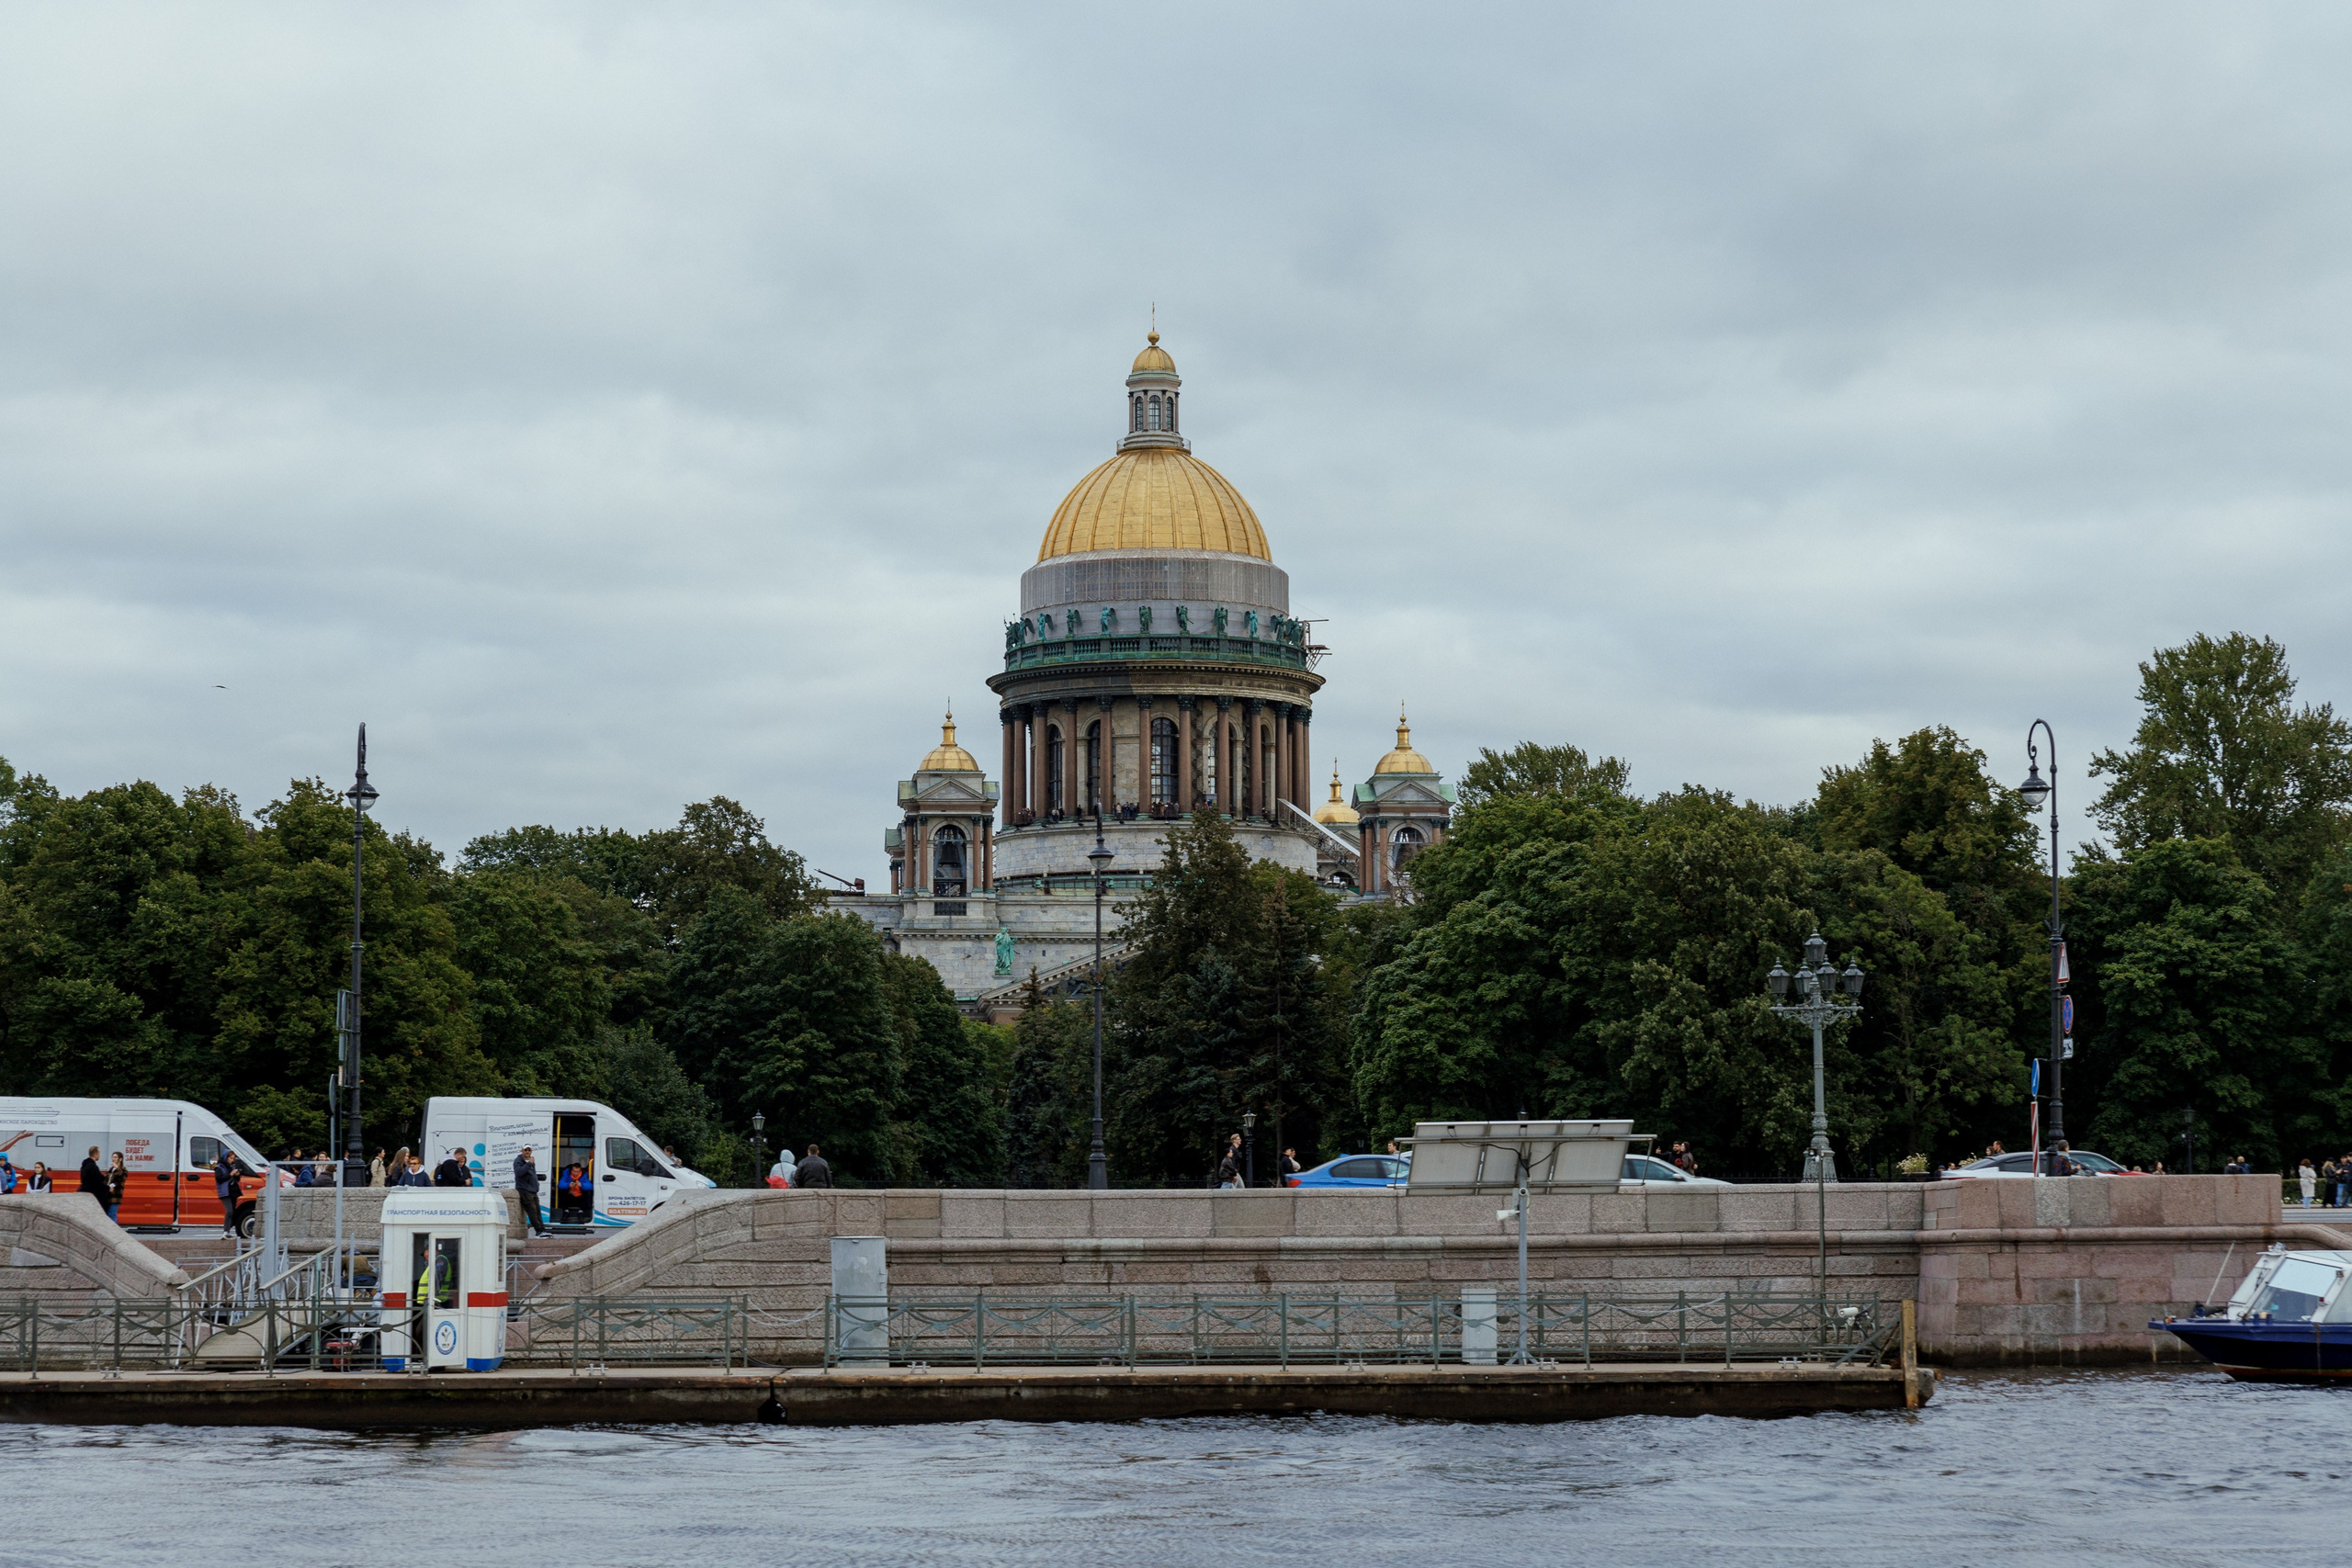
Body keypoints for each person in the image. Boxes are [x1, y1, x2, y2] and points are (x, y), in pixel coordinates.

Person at [514, 1145, 545, 1236]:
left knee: (537, 1211)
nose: (527, 1151)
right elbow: (519, 1172)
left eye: (529, 1150)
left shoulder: (530, 1161)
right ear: (522, 1150)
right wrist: (529, 1164)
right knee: (532, 1211)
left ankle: (543, 1230)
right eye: (525, 1150)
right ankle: (538, 1231)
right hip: (525, 1190)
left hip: (533, 1190)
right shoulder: (518, 1161)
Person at [78, 1146, 110, 1211]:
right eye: (99, 1153)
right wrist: (108, 1188)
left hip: (84, 1193)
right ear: (96, 1155)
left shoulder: (84, 1165)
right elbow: (97, 1183)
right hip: (93, 1196)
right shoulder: (93, 1167)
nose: (99, 1155)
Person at [106, 1151, 129, 1221]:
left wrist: (117, 1168)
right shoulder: (111, 1169)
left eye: (115, 1157)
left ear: (120, 1159)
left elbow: (122, 1178)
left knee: (112, 1214)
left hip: (116, 1195)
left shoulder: (123, 1169)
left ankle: (114, 1230)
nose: (113, 1158)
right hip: (108, 1194)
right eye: (112, 1157)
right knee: (108, 1215)